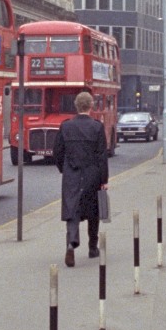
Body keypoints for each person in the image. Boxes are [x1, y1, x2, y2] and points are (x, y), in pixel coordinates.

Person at [53, 89, 108, 266]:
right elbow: (102, 156)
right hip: (92, 174)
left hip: (72, 175)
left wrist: (65, 169)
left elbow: (57, 152)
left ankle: (71, 245)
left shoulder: (66, 126)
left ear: (76, 106)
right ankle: (93, 248)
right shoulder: (97, 127)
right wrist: (104, 179)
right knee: (93, 212)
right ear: (91, 106)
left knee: (72, 211)